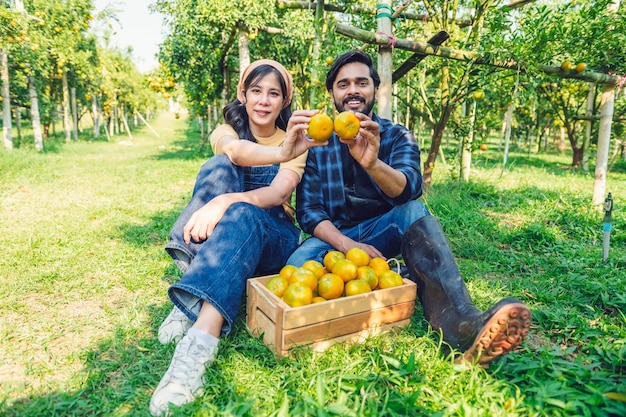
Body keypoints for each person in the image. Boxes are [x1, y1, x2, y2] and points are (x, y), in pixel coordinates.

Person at [286, 50, 531, 367]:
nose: (353, 90)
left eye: (362, 82)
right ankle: (398, 274)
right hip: (334, 240)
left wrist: (373, 164)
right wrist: (348, 245)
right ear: (332, 93)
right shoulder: (317, 143)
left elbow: (410, 188)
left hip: (384, 231)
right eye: (343, 84)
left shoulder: (397, 135)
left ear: (375, 89)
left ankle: (462, 326)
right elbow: (309, 212)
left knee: (414, 211)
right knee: (297, 262)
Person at [149, 59, 325, 416]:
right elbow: (235, 152)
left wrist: (226, 200)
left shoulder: (296, 141)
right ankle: (197, 289)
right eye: (256, 91)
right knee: (217, 166)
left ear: (284, 101)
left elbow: (277, 193)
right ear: (243, 95)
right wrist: (279, 153)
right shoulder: (226, 130)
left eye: (273, 93)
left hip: (274, 238)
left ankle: (197, 346)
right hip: (230, 235)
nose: (263, 100)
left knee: (242, 211)